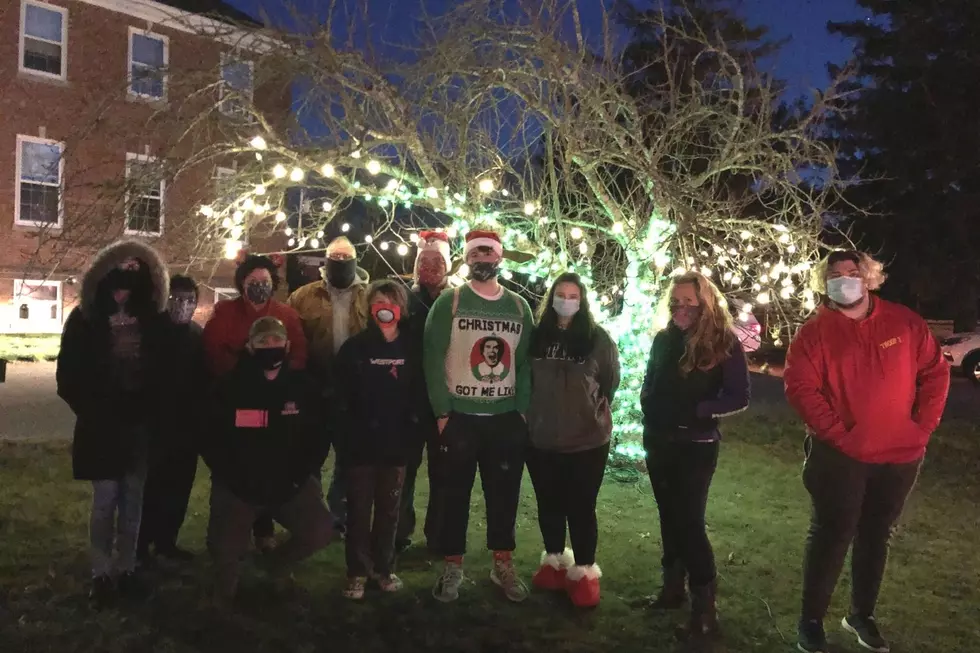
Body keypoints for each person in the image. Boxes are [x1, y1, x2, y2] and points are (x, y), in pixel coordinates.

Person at [784, 251, 949, 653]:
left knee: (877, 535)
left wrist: (922, 426)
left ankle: (861, 614)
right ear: (824, 283)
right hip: (840, 458)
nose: (845, 281)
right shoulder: (815, 333)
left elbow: (935, 371)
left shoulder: (904, 322)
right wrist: (839, 435)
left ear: (869, 277)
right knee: (831, 534)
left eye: (852, 273)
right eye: (835, 275)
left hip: (900, 455)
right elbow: (800, 387)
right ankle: (811, 621)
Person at [56, 239, 173, 606]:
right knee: (105, 500)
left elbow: (165, 373)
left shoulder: (153, 321)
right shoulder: (85, 319)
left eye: (131, 281)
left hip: (139, 426)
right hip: (101, 425)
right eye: (116, 281)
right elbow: (68, 376)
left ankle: (126, 569)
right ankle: (101, 572)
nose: (122, 290)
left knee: (133, 500)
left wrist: (152, 412)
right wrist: (92, 409)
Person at [423, 229, 534, 603]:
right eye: (476, 254)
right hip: (460, 417)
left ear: (499, 258)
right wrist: (442, 413)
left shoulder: (519, 307)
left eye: (489, 253)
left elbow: (524, 364)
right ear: (467, 259)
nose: (483, 259)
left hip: (504, 419)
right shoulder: (449, 303)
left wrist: (521, 411)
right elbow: (432, 357)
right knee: (453, 494)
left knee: (504, 494)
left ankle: (502, 562)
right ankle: (452, 564)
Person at [639, 271, 750, 641]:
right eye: (676, 301)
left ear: (705, 303)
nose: (681, 307)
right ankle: (672, 589)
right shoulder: (663, 339)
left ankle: (705, 607)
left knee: (689, 523)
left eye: (689, 301)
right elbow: (650, 381)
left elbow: (738, 396)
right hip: (659, 441)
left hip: (696, 446)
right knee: (669, 518)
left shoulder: (724, 344)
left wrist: (699, 410)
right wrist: (649, 405)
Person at [201, 316, 334, 606]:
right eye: (262, 341)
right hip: (239, 488)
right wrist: (233, 480)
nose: (270, 346)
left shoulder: (303, 388)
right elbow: (210, 441)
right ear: (249, 347)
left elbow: (318, 438)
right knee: (222, 547)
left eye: (276, 340)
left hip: (288, 485)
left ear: (287, 345)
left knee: (321, 530)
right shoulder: (227, 389)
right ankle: (225, 590)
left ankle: (277, 565)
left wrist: (301, 477)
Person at [526, 272, 620, 608]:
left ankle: (583, 573)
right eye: (561, 294)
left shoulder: (598, 340)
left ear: (582, 302)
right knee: (549, 504)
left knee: (581, 508)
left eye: (573, 295)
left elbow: (610, 383)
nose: (566, 300)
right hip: (541, 440)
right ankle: (553, 563)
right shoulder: (536, 338)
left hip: (587, 442)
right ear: (551, 298)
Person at [203, 252, 308, 553]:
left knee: (273, 461)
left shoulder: (286, 315)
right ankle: (228, 533)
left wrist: (282, 378)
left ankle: (265, 528)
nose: (258, 287)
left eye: (264, 282)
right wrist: (242, 375)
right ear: (242, 284)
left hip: (278, 397)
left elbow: (298, 353)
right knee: (238, 461)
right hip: (240, 397)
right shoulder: (226, 313)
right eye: (252, 282)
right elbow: (213, 351)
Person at [334, 280, 429, 599]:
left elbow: (419, 396)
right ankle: (357, 572)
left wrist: (413, 435)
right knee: (359, 512)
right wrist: (345, 440)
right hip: (360, 446)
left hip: (396, 446)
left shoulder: (412, 349)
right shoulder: (355, 348)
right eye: (378, 301)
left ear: (401, 308)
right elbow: (340, 398)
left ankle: (384, 569)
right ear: (369, 308)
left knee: (391, 511)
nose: (384, 306)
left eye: (391, 300)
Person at [287, 236, 370, 535]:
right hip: (316, 387)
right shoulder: (302, 297)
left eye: (345, 259)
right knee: (311, 455)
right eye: (334, 259)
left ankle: (339, 516)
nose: (340, 265)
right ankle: (313, 516)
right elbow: (292, 342)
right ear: (325, 262)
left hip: (355, 390)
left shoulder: (369, 296)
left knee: (348, 457)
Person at [138, 274, 207, 565]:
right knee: (150, 488)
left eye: (190, 300)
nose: (183, 305)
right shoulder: (151, 332)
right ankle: (140, 546)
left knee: (179, 488)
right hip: (154, 426)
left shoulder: (196, 335)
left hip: (186, 428)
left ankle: (167, 542)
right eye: (177, 299)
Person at [398, 230, 452, 553]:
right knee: (402, 474)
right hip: (408, 404)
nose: (429, 267)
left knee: (443, 475)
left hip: (443, 404)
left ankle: (439, 538)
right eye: (424, 261)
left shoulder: (455, 302)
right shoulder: (404, 300)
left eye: (436, 261)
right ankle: (398, 533)